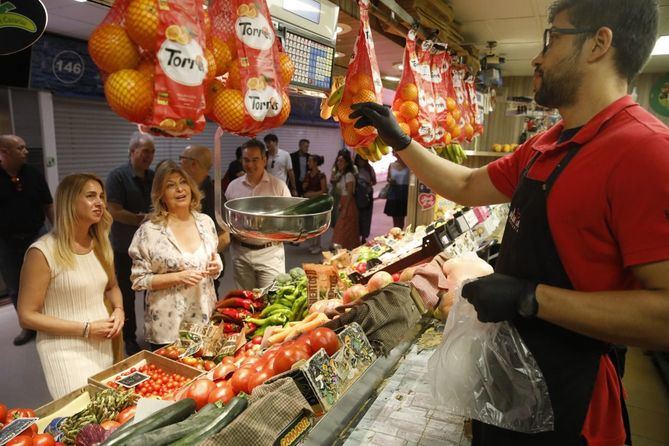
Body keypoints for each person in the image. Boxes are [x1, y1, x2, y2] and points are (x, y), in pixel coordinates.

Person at [350, 1, 669, 444]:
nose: (538, 57)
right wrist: (400, 141)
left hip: (570, 401)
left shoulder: (646, 152)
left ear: (599, 43)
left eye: (553, 37)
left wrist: (531, 297)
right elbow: (464, 184)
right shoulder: (546, 144)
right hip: (507, 381)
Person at [17, 173, 123, 398]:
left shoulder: (100, 243)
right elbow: (27, 315)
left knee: (110, 417)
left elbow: (112, 287)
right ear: (69, 201)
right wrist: (86, 329)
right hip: (63, 350)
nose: (100, 203)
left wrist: (119, 310)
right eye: (91, 196)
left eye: (102, 196)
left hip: (103, 342)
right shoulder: (42, 252)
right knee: (83, 415)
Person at [128, 161, 222, 349]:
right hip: (168, 328)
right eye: (170, 185)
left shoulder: (205, 222)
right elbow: (138, 280)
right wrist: (178, 277)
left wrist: (217, 265)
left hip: (204, 320)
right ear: (161, 195)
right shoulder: (149, 231)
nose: (179, 189)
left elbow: (213, 257)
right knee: (174, 378)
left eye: (183, 182)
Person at [0, 134, 54, 346]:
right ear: (5, 152)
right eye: (20, 148)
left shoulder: (34, 174)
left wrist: (57, 231)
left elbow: (48, 204)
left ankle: (47, 323)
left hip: (37, 236)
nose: (26, 151)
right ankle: (28, 327)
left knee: (45, 283)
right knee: (15, 286)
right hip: (6, 241)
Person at [106, 131, 155, 355]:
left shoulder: (153, 176)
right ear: (132, 151)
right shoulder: (117, 176)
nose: (149, 156)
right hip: (125, 247)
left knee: (151, 291)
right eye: (145, 152)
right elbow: (113, 210)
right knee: (126, 294)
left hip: (151, 249)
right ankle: (129, 337)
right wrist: (140, 219)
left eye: (152, 152)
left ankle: (152, 332)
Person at [225, 139, 291, 289]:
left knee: (272, 301)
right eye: (246, 160)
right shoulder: (233, 187)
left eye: (255, 160)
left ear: (264, 159)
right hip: (240, 253)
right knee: (246, 303)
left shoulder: (278, 187)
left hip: (270, 253)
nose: (250, 165)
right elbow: (227, 218)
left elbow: (289, 220)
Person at [179, 144, 231, 293]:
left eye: (181, 159)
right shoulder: (184, 190)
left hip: (205, 269)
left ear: (193, 164)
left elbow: (224, 237)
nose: (179, 164)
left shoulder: (214, 195)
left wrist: (198, 259)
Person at [331, 152, 359, 250]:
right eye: (338, 160)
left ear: (347, 163)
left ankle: (345, 250)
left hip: (348, 203)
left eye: (341, 161)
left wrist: (346, 209)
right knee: (342, 228)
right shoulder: (341, 174)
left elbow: (350, 193)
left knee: (344, 229)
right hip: (343, 202)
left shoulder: (349, 175)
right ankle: (342, 250)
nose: (338, 163)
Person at [302, 154, 327, 254]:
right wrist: (305, 184)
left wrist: (311, 194)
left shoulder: (321, 175)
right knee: (310, 224)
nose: (308, 163)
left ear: (315, 163)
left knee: (317, 224)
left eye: (310, 161)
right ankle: (312, 244)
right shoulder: (308, 174)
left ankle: (318, 245)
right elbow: (304, 187)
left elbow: (323, 190)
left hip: (318, 202)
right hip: (309, 202)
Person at [354, 154, 377, 244]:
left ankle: (364, 236)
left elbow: (374, 181)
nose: (361, 162)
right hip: (357, 195)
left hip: (367, 194)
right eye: (359, 160)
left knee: (366, 216)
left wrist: (367, 183)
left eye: (362, 160)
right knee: (357, 216)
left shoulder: (369, 169)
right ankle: (357, 235)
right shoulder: (354, 169)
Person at [384, 156, 409, 229]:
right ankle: (397, 233)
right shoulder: (391, 165)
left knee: (402, 218)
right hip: (394, 193)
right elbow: (388, 178)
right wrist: (390, 180)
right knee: (395, 219)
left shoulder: (409, 164)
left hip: (405, 193)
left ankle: (400, 233)